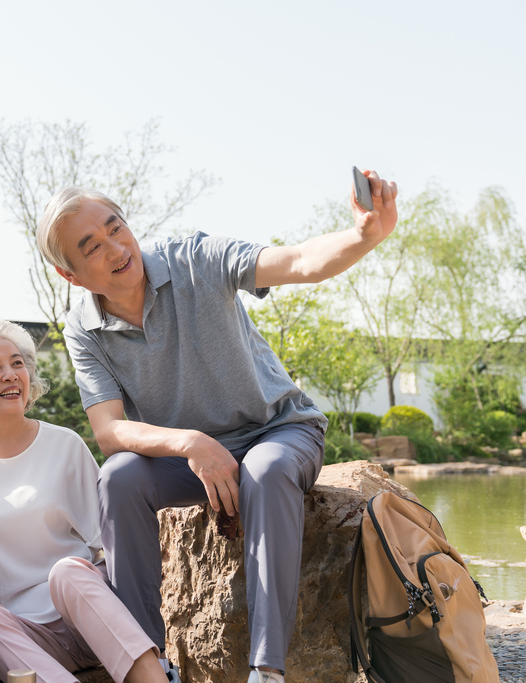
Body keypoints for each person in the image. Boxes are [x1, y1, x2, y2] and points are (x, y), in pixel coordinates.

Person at [35, 172, 398, 683]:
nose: (117, 248)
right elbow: (110, 432)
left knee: (266, 472)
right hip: (192, 460)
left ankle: (267, 670)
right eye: (92, 246)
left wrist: (363, 235)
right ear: (71, 275)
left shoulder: (192, 258)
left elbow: (296, 262)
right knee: (118, 478)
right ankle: (149, 664)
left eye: (117, 228)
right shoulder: (83, 327)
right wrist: (190, 443)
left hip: (277, 430)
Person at [0, 316, 170, 683]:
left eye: (17, 363)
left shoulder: (65, 445)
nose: (11, 374)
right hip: (21, 639)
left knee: (68, 571)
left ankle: (156, 678)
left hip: (88, 621)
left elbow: (108, 546)